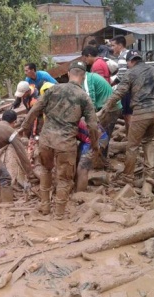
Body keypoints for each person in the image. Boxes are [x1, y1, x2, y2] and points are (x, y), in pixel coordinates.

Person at [20, 60, 100, 219]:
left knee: (46, 170)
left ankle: (44, 206)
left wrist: (25, 127)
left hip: (46, 140)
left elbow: (35, 110)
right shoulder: (84, 97)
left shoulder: (53, 89)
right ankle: (59, 214)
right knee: (64, 179)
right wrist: (95, 145)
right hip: (65, 144)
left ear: (69, 74)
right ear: (83, 77)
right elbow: (92, 125)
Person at [100, 50, 154, 190]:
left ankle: (127, 178)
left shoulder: (130, 73)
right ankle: (149, 174)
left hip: (141, 112)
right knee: (147, 141)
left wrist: (104, 108)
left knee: (132, 146)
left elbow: (119, 92)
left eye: (127, 63)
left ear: (131, 61)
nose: (128, 65)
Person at [83, 71, 122, 166]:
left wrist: (88, 118)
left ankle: (100, 161)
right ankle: (101, 160)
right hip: (111, 107)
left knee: (100, 134)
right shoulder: (91, 76)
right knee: (104, 134)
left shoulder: (87, 79)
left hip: (109, 109)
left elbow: (90, 100)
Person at [76, 120, 109, 192]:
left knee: (82, 168)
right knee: (77, 162)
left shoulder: (66, 123)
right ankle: (77, 187)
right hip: (86, 138)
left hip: (96, 139)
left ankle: (79, 194)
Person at [109, 35, 133, 134]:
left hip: (127, 89)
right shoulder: (130, 54)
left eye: (113, 45)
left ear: (120, 45)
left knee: (128, 115)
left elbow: (121, 76)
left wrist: (111, 84)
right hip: (136, 87)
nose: (112, 48)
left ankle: (130, 137)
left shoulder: (122, 57)